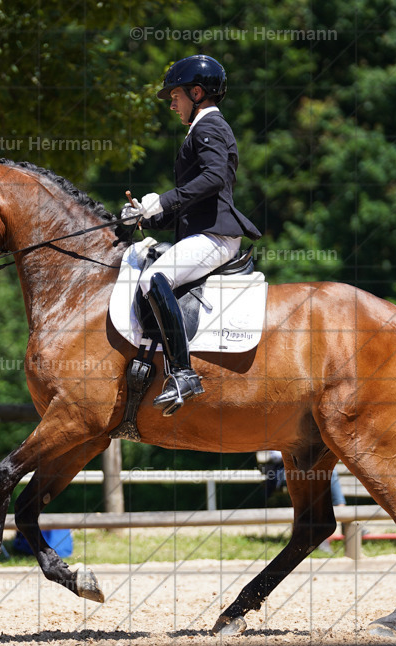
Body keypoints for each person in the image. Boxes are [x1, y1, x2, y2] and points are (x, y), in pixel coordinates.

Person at [121, 54, 262, 416]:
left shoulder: (209, 127)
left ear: (197, 92)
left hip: (216, 236)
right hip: (205, 230)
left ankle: (183, 374)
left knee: (155, 278)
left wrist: (163, 200)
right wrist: (145, 218)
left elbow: (215, 179)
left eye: (176, 95)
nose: (172, 103)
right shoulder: (201, 129)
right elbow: (194, 207)